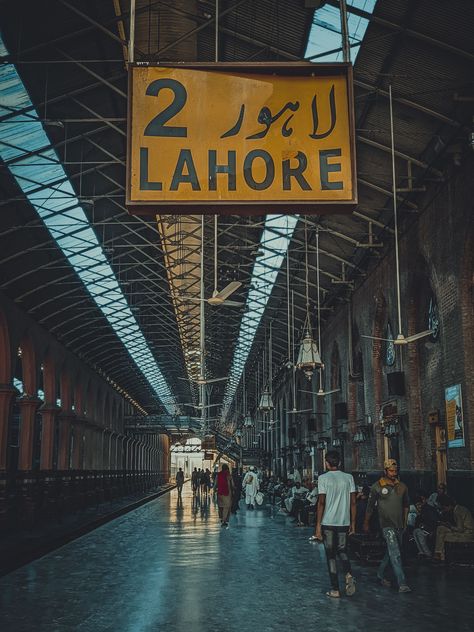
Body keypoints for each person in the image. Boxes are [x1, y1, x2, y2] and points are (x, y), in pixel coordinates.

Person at [364, 458, 411, 593]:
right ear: (385, 471)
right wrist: (366, 523)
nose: (393, 473)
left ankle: (380, 574)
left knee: (392, 552)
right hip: (386, 525)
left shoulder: (402, 487)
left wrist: (405, 522)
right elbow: (370, 507)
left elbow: (406, 505)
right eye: (391, 471)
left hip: (399, 524)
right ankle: (402, 583)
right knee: (395, 553)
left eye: (395, 471)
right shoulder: (377, 486)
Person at [315, 450, 356, 599]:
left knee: (331, 556)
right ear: (339, 463)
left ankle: (335, 590)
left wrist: (318, 526)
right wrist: (353, 523)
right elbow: (353, 502)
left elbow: (321, 502)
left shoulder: (323, 478)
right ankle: (349, 573)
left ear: (327, 463)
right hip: (344, 522)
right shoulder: (349, 478)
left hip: (328, 522)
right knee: (343, 551)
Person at [433, 495, 474, 561]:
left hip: (468, 534)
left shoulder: (457, 511)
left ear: (448, 506)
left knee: (445, 537)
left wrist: (449, 526)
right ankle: (439, 554)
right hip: (466, 532)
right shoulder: (458, 508)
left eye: (444, 508)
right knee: (440, 528)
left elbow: (460, 529)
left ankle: (440, 556)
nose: (444, 510)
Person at [412, 492, 439, 558]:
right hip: (425, 530)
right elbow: (417, 524)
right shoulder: (420, 512)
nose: (418, 506)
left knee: (418, 532)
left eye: (419, 504)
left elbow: (434, 522)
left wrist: (432, 531)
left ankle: (428, 553)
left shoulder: (429, 509)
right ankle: (422, 552)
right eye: (416, 505)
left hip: (431, 530)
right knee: (415, 531)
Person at [216, 463, 233, 528]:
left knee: (220, 506)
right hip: (227, 493)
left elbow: (216, 483)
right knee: (227, 507)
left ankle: (221, 518)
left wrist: (214, 489)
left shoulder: (218, 475)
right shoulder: (229, 475)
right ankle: (224, 521)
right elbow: (232, 484)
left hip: (219, 493)